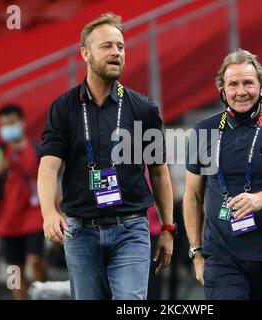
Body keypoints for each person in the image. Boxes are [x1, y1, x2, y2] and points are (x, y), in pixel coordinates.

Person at [37, 12, 175, 300]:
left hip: (131, 229)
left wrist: (167, 228)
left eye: (120, 46)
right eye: (107, 46)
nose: (116, 52)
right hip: (80, 232)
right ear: (85, 54)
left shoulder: (143, 109)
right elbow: (48, 168)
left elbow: (160, 172)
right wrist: (49, 212)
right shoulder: (64, 108)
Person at [183, 49, 262, 300]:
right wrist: (196, 253)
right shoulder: (203, 131)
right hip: (222, 257)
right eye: (233, 84)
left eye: (248, 83)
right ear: (222, 90)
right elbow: (192, 197)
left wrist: (259, 199)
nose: (241, 91)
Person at [0, 104, 47, 300]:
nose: (8, 128)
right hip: (7, 221)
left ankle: (47, 292)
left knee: (34, 262)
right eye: (3, 125)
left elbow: (49, 180)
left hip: (33, 217)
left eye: (12, 123)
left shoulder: (36, 149)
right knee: (14, 273)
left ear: (22, 122)